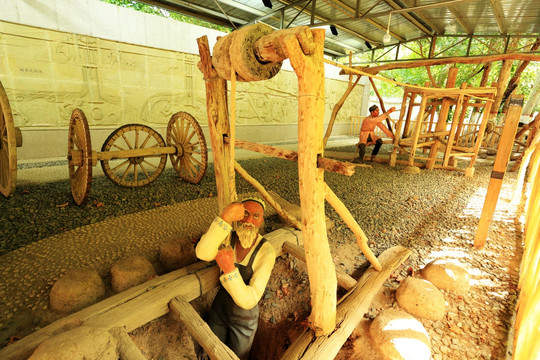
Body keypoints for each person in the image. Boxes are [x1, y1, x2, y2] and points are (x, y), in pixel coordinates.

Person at [196, 197, 276, 360]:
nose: (249, 220)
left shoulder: (266, 251)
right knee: (213, 352)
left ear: (261, 221)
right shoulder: (227, 237)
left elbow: (250, 299)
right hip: (218, 312)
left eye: (255, 216)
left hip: (244, 322)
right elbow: (202, 253)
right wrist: (224, 218)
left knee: (237, 357)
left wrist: (229, 269)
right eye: (245, 214)